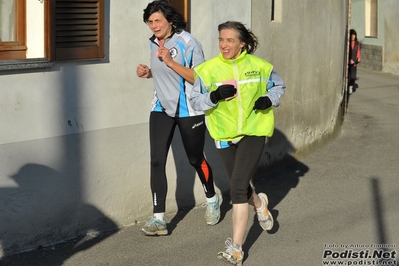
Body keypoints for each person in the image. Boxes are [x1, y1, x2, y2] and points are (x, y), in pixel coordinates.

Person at [189, 21, 286, 265]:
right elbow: (195, 102)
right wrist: (213, 96)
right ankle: (260, 204)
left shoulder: (260, 66)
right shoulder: (207, 70)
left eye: (230, 40)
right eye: (221, 39)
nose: (224, 44)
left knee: (237, 188)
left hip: (253, 132)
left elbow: (279, 86)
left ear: (242, 43)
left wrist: (268, 99)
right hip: (223, 136)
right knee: (239, 184)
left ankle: (237, 248)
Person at [136, 0, 222, 236]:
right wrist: (149, 73)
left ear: (170, 21)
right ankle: (159, 219)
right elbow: (165, 73)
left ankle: (212, 199)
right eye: (150, 21)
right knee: (156, 161)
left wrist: (171, 61)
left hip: (188, 109)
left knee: (195, 159)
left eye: (157, 21)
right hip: (161, 107)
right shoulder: (154, 42)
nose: (153, 26)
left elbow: (200, 79)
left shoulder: (189, 42)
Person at [348, 29, 361, 94]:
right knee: (348, 76)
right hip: (347, 63)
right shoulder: (347, 43)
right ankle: (348, 86)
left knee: (353, 76)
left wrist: (358, 58)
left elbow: (358, 51)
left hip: (354, 63)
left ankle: (350, 86)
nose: (353, 36)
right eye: (352, 35)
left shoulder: (357, 44)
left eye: (354, 35)